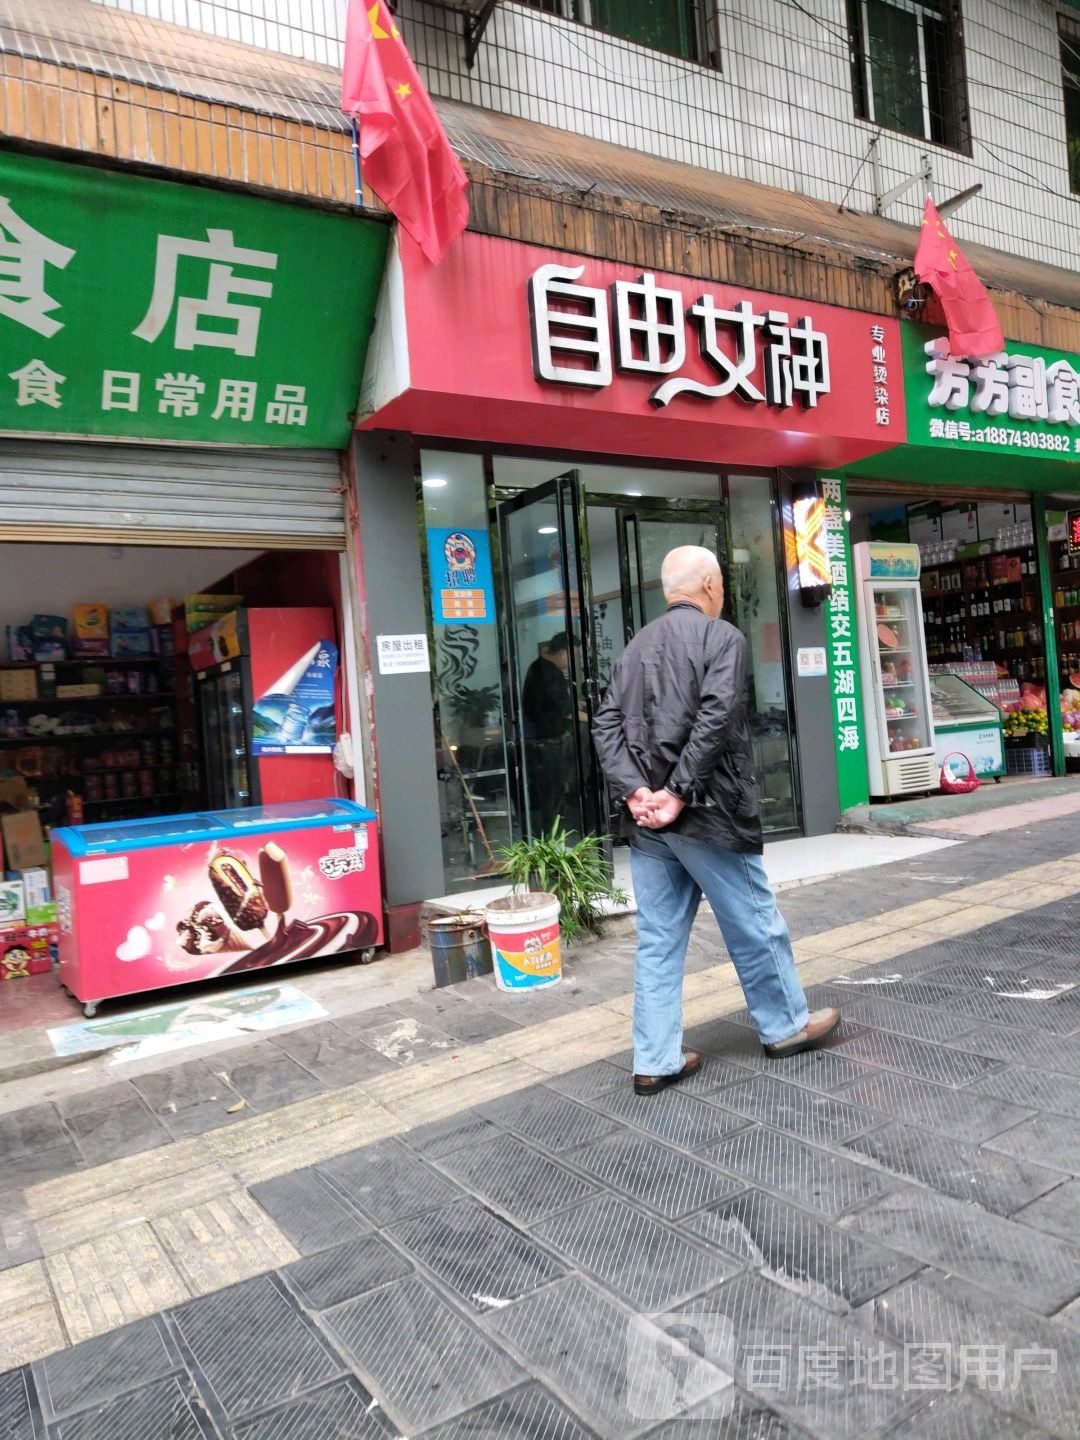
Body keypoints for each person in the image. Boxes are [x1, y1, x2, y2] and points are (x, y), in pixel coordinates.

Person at [592, 545, 839, 1096]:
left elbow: (605, 724)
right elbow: (717, 718)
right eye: (721, 581)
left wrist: (637, 792)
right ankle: (786, 1026)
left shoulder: (634, 647)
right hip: (707, 816)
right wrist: (677, 793)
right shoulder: (722, 637)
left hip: (649, 823)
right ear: (708, 584)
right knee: (754, 922)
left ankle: (654, 1059)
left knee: (657, 940)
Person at [522, 631, 576, 833]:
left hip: (540, 742)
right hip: (548, 744)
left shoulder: (536, 668)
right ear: (563, 652)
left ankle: (547, 836)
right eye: (573, 655)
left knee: (546, 795)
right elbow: (564, 710)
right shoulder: (550, 674)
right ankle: (552, 839)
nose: (572, 661)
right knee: (551, 796)